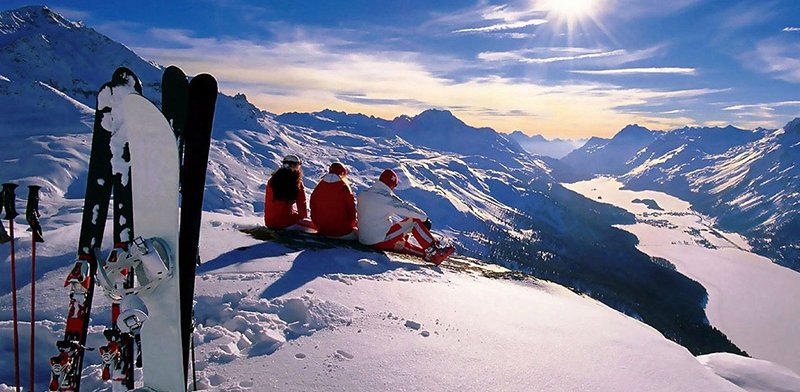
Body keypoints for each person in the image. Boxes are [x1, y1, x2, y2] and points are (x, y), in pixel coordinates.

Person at [357, 169, 454, 265]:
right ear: (392, 184)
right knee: (414, 221)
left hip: (363, 239)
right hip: (378, 240)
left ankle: (426, 254)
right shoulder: (386, 198)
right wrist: (424, 218)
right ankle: (434, 252)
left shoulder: (364, 193)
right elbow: (406, 208)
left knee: (399, 242)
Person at [264, 155, 316, 230]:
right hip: (285, 221)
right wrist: (302, 217)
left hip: (269, 221)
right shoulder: (296, 182)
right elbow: (301, 203)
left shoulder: (272, 180)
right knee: (313, 226)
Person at [310, 162, 357, 239]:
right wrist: (351, 225)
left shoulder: (320, 185)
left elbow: (312, 204)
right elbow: (351, 210)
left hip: (321, 228)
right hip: (341, 231)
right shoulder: (343, 187)